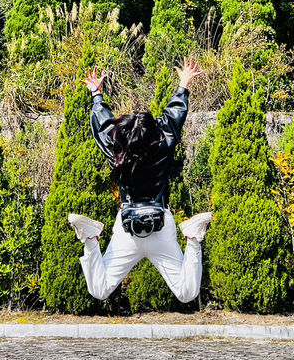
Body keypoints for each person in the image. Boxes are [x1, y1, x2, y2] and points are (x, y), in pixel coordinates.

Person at [67, 57, 212, 303]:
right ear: (154, 132)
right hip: (160, 225)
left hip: (128, 229)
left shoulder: (117, 153)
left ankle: (91, 239)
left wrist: (96, 94)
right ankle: (194, 239)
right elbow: (174, 117)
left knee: (99, 290)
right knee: (187, 294)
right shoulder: (163, 145)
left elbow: (103, 125)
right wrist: (184, 85)